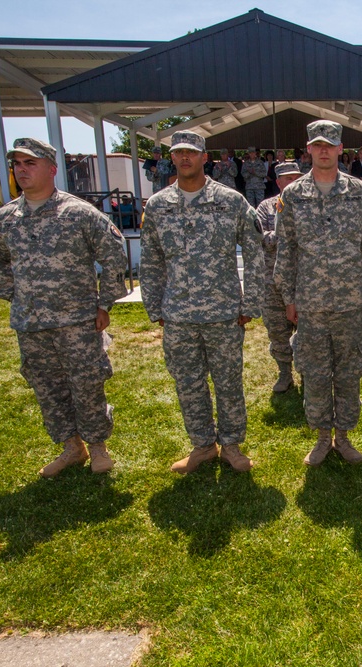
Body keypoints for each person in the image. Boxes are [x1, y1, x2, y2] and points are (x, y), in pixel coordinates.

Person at [0, 138, 128, 477]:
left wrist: (104, 302)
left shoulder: (78, 213)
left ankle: (97, 448)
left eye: (29, 163)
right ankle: (70, 447)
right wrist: (11, 294)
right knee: (46, 385)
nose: (21, 169)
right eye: (17, 164)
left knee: (87, 382)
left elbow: (113, 255)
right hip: (30, 322)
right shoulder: (6, 218)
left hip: (76, 320)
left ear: (51, 169)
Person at [140, 130, 264, 474]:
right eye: (178, 153)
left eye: (191, 153)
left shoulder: (231, 201)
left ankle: (232, 446)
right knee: (189, 384)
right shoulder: (158, 205)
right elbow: (150, 261)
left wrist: (249, 304)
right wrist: (156, 308)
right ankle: (202, 446)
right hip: (178, 314)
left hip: (224, 312)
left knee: (228, 383)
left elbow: (255, 254)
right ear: (172, 157)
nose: (184, 158)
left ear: (204, 157)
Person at [273, 120, 362, 466]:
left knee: (349, 373)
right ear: (308, 149)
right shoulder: (292, 195)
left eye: (330, 144)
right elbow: (286, 249)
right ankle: (322, 438)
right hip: (311, 304)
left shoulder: (359, 192)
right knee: (316, 373)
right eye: (317, 144)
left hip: (350, 302)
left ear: (339, 149)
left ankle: (345, 437)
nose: (323, 150)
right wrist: (288, 298)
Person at [255, 161, 303, 393]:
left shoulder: (308, 205)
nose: (293, 182)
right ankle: (285, 374)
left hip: (304, 282)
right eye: (288, 178)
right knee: (277, 331)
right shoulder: (266, 207)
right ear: (279, 182)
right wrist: (287, 235)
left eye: (296, 177)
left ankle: (307, 373)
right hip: (273, 282)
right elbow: (260, 239)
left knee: (307, 332)